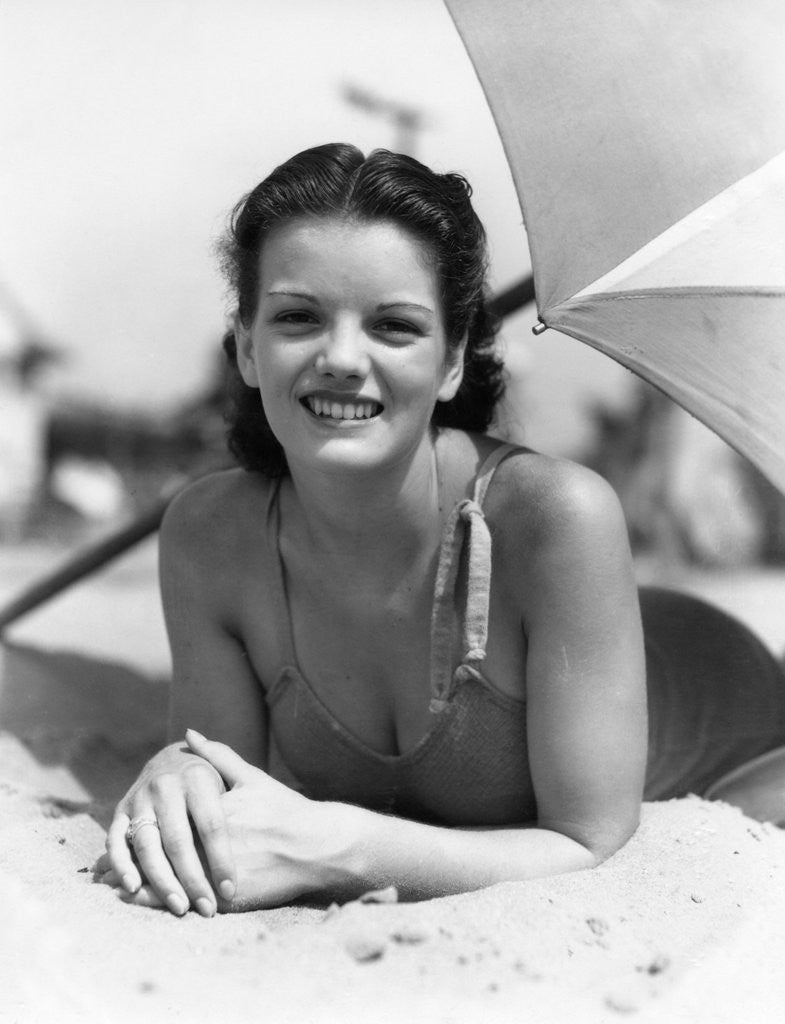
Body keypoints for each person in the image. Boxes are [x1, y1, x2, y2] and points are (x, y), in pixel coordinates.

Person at [98, 143, 785, 917]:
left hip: (736, 713)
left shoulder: (557, 516)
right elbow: (224, 776)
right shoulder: (207, 536)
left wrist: (339, 844)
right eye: (297, 317)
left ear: (452, 360)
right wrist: (178, 769)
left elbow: (586, 841)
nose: (341, 358)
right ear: (247, 347)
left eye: (393, 326)